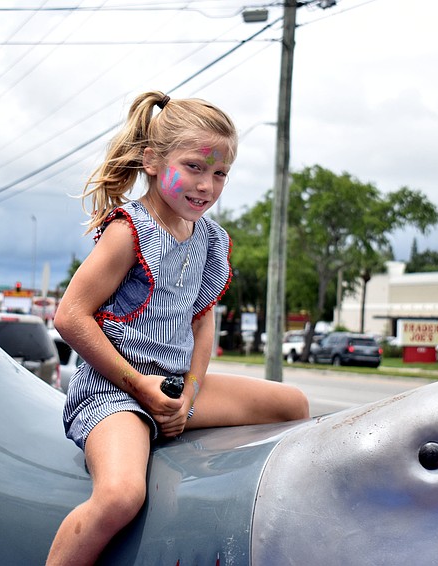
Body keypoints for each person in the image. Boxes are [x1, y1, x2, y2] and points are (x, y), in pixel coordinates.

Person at [46, 91, 310, 565]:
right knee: (121, 495)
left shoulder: (210, 239)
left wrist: (189, 394)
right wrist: (140, 387)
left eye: (220, 173)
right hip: (115, 391)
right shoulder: (130, 231)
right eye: (193, 167)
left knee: (292, 405)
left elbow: (202, 321)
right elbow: (70, 316)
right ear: (152, 161)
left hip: (174, 387)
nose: (206, 185)